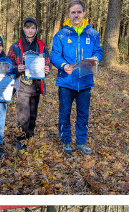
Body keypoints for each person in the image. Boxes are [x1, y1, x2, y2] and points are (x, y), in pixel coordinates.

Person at [49, 0, 103, 154]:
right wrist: (63, 65)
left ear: (84, 13)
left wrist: (96, 58)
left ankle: (81, 142)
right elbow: (54, 55)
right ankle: (66, 141)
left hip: (85, 81)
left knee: (83, 114)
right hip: (66, 81)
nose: (76, 15)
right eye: (73, 12)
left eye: (79, 12)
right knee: (65, 113)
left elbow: (99, 51)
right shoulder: (61, 34)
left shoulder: (92, 34)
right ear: (69, 14)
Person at [7, 17, 50, 151]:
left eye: (33, 28)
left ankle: (30, 136)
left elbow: (47, 63)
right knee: (22, 114)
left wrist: (47, 70)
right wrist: (16, 68)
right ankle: (21, 139)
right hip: (22, 85)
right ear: (23, 29)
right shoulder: (15, 46)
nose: (30, 30)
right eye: (27, 28)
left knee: (33, 114)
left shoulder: (41, 46)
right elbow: (8, 64)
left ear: (36, 29)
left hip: (36, 85)